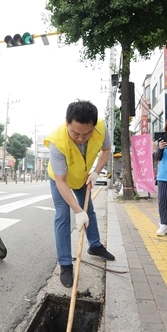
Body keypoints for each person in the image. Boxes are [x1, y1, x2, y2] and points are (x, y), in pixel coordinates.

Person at [45, 100, 115, 287]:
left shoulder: (101, 127)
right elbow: (61, 181)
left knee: (89, 210)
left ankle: (95, 246)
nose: (81, 138)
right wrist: (77, 210)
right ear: (66, 122)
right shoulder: (57, 142)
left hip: (83, 176)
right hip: (61, 178)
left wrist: (96, 172)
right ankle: (66, 264)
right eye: (75, 133)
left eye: (87, 133)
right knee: (63, 216)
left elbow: (106, 150)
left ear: (94, 125)